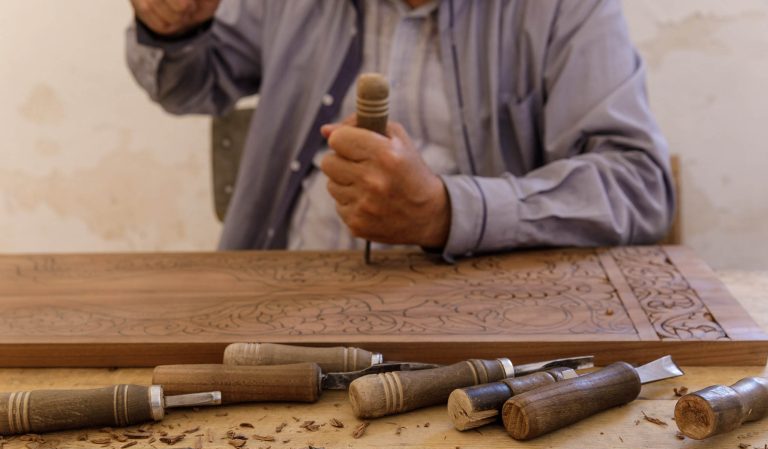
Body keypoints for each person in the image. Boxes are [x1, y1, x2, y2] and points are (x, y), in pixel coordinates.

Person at [126, 0, 674, 260]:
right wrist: (173, 26)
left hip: (473, 339)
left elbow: (638, 186)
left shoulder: (565, 9)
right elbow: (194, 84)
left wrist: (447, 211)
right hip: (284, 305)